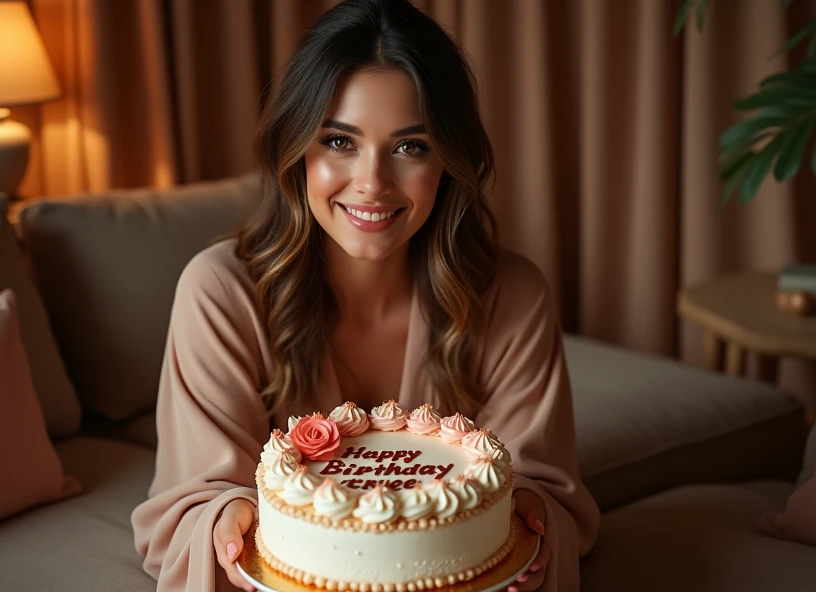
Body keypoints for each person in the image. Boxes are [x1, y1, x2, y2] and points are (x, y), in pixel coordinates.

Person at [130, 0, 600, 590]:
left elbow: (542, 489)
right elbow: (194, 498)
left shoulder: (514, 295)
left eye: (411, 146)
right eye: (338, 141)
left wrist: (526, 526)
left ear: (449, 161)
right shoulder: (220, 292)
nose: (372, 182)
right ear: (296, 150)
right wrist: (226, 518)